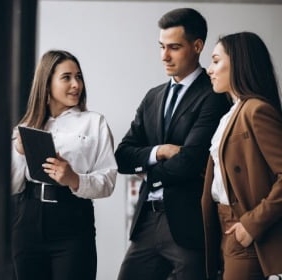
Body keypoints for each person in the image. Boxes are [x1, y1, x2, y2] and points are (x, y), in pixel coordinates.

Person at [115, 8, 230, 280]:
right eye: (162, 47)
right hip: (146, 222)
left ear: (197, 46)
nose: (164, 56)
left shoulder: (213, 96)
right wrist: (160, 151)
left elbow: (190, 161)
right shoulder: (153, 97)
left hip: (188, 224)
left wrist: (148, 173)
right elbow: (121, 156)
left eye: (174, 47)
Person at [10, 50, 117, 280]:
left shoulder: (94, 122)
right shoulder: (26, 126)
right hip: (28, 219)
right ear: (46, 83)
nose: (76, 84)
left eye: (78, 77)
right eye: (66, 77)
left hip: (73, 220)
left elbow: (108, 181)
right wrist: (20, 153)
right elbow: (11, 185)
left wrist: (74, 179)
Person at [203, 31, 282, 280]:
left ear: (238, 63)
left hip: (246, 228)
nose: (208, 69)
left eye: (216, 61)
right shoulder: (231, 113)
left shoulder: (256, 110)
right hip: (223, 226)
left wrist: (252, 224)